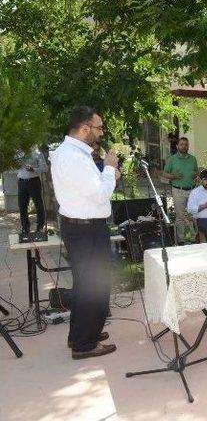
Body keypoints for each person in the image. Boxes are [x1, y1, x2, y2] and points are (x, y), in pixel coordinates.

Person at [50, 106, 120, 359]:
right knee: (95, 286)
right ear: (84, 128)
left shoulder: (71, 152)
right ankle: (84, 344)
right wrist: (110, 168)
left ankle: (81, 334)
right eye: (99, 127)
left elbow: (92, 190)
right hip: (87, 229)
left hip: (82, 227)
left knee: (85, 285)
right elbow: (100, 193)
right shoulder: (73, 157)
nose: (101, 132)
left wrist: (107, 175)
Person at [162, 137, 198, 244]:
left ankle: (193, 238)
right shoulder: (171, 159)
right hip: (178, 190)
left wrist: (196, 173)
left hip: (192, 190)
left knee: (192, 215)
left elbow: (195, 171)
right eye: (181, 144)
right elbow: (164, 174)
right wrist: (173, 176)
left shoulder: (193, 159)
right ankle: (181, 240)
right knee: (180, 216)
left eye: (186, 144)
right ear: (177, 146)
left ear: (188, 146)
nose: (184, 146)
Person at [16, 146, 48, 234]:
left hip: (34, 182)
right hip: (21, 182)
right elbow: (13, 167)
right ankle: (25, 228)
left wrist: (33, 169)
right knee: (22, 206)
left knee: (38, 205)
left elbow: (45, 168)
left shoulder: (36, 152)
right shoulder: (18, 153)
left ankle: (40, 227)